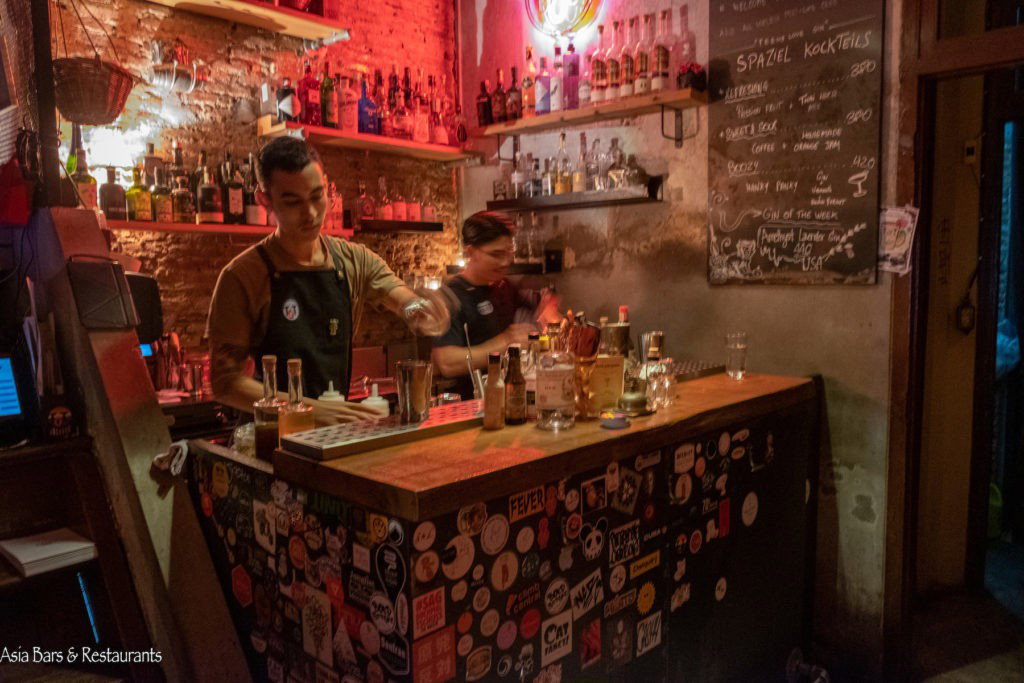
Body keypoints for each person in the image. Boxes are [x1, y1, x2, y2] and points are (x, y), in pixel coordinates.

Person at [207, 136, 447, 424]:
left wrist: (419, 310)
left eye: (316, 196)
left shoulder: (353, 260)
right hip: (269, 438)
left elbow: (399, 296)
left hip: (331, 438)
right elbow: (226, 383)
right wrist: (309, 410)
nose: (310, 213)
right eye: (293, 202)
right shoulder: (242, 276)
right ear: (264, 200)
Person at [432, 211, 555, 399]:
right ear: (471, 252)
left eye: (508, 253)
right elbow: (447, 362)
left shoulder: (502, 285)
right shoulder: (450, 296)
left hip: (506, 397)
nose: (505, 262)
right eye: (496, 254)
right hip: (468, 404)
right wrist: (505, 342)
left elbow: (543, 309)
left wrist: (550, 313)